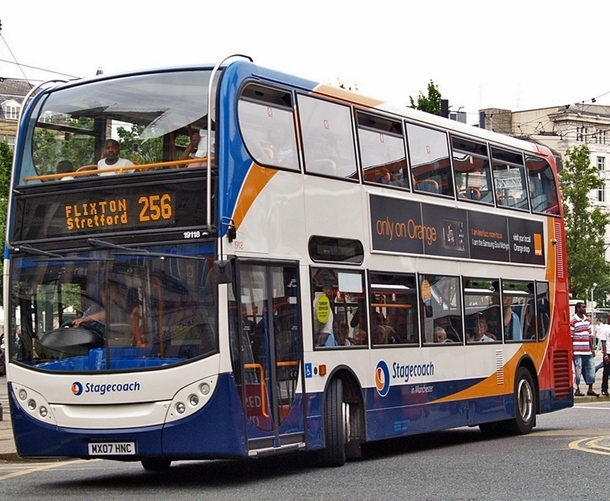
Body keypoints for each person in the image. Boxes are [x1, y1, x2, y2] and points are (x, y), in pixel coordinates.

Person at [571, 301, 598, 397]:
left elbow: (589, 335)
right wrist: (572, 351)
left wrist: (592, 349)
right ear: (578, 308)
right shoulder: (573, 320)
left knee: (591, 369)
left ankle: (590, 389)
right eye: (583, 307)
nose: (584, 309)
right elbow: (571, 336)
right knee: (578, 370)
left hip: (587, 350)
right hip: (577, 350)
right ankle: (577, 389)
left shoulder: (587, 320)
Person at [598, 313, 610, 396]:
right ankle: (604, 388)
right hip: (608, 352)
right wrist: (605, 354)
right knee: (606, 371)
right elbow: (603, 342)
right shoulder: (605, 328)